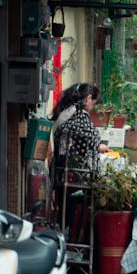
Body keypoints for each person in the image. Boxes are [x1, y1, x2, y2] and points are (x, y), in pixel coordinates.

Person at [50, 82, 109, 244]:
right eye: (93, 104)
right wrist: (99, 146)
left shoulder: (66, 111)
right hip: (73, 175)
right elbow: (91, 138)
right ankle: (79, 239)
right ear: (88, 99)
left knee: (67, 206)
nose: (92, 108)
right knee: (97, 190)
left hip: (59, 171)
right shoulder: (79, 115)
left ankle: (66, 234)